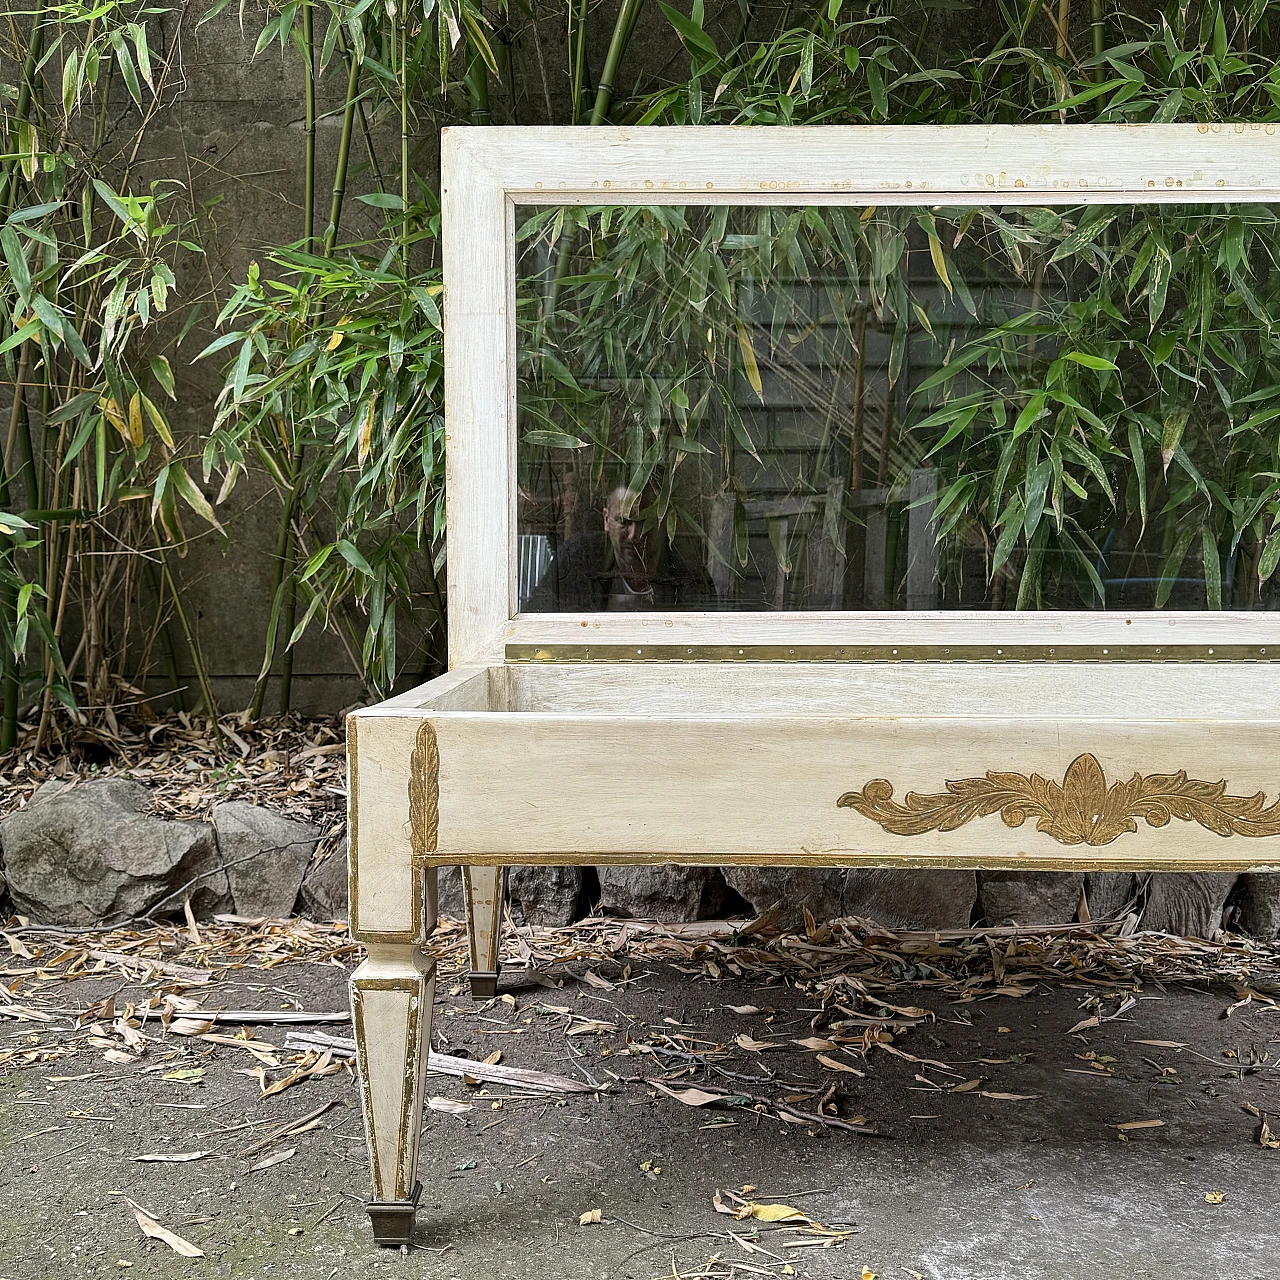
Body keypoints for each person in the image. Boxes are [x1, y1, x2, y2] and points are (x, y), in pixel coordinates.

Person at [525, 486, 711, 611]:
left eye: (645, 523)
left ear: (663, 523)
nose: (633, 535)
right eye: (623, 521)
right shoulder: (577, 559)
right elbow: (537, 613)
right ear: (606, 520)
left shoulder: (686, 570)